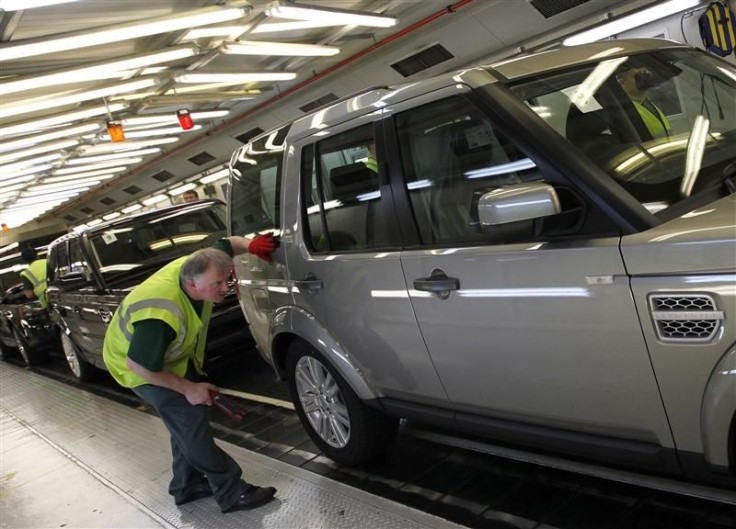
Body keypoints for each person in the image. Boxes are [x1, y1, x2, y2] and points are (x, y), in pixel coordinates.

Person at [102, 233, 279, 513]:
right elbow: (139, 365)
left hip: (167, 359)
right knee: (191, 421)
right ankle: (232, 492)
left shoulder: (203, 263)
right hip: (139, 367)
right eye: (217, 284)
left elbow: (227, 244)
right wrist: (188, 388)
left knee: (185, 427)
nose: (225, 288)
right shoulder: (159, 314)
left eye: (226, 280)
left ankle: (187, 486)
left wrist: (250, 245)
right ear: (190, 283)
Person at [616, 67, 671, 139]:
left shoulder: (648, 103)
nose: (644, 78)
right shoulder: (627, 111)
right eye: (637, 76)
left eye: (644, 74)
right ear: (622, 83)